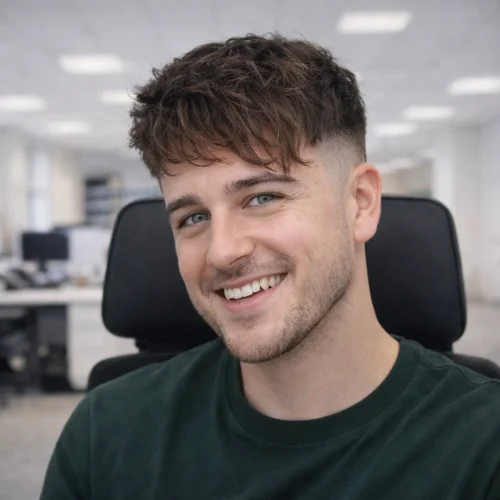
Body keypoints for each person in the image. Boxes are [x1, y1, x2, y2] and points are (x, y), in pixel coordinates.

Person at [40, 34, 500, 500]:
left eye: (262, 198)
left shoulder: (483, 444)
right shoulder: (106, 434)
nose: (222, 251)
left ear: (360, 204)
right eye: (193, 217)